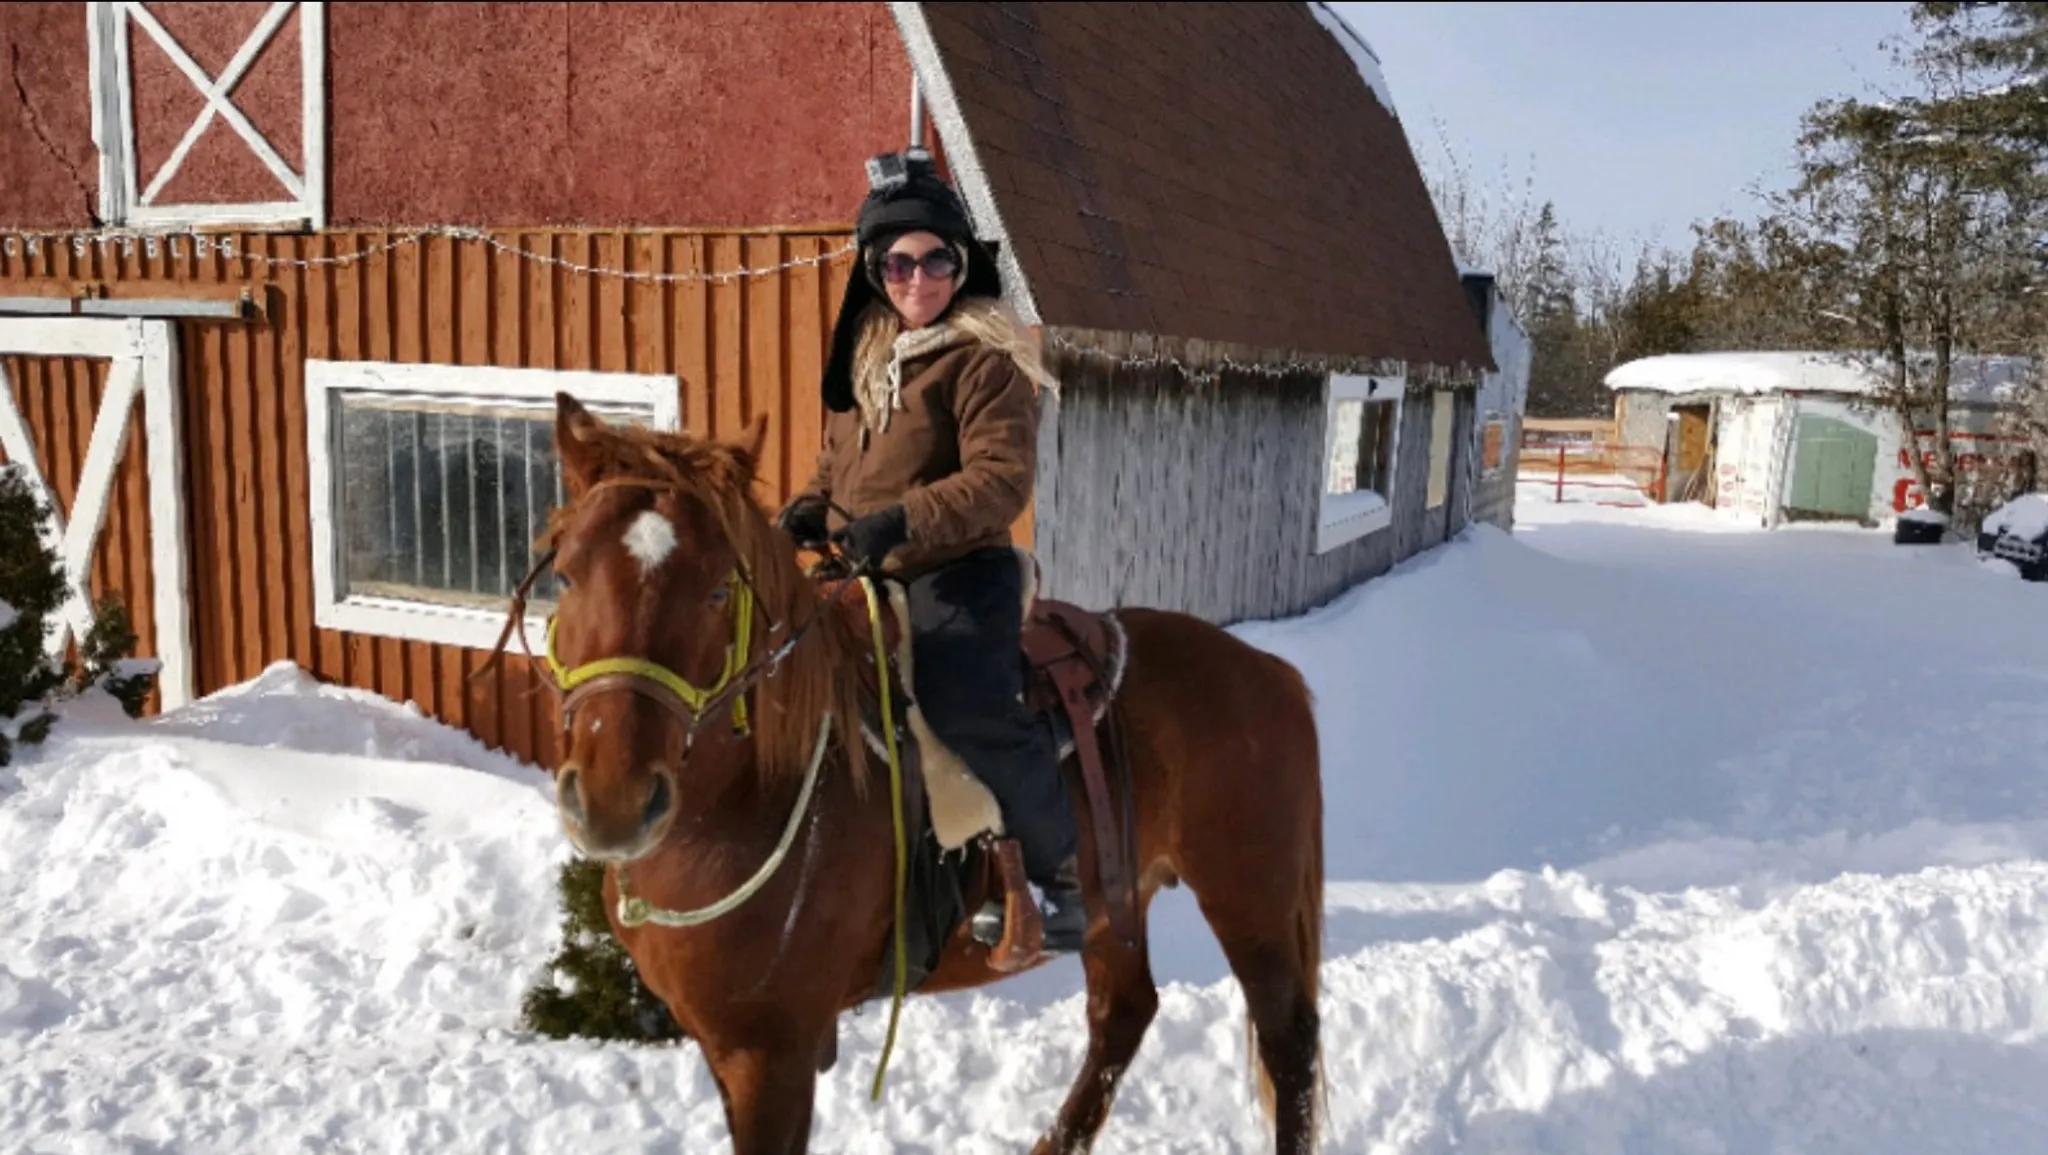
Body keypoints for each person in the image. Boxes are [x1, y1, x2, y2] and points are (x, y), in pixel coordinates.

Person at [775, 149, 1086, 953]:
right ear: (878, 269)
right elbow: (837, 459)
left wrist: (902, 520)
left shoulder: (987, 355)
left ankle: (1061, 876)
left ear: (962, 261)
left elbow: (999, 480)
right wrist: (811, 507)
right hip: (868, 568)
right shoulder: (869, 353)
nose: (920, 278)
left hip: (959, 567)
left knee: (960, 702)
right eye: (900, 261)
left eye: (938, 258)